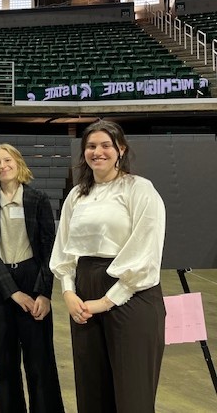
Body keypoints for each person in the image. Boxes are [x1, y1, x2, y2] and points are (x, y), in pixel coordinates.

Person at [50, 120, 166, 413]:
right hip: (84, 292)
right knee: (91, 390)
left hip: (130, 294)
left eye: (105, 145)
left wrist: (106, 301)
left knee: (132, 394)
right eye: (91, 146)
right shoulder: (77, 195)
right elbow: (64, 248)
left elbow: (146, 249)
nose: (97, 152)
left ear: (120, 149)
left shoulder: (139, 189)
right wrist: (67, 292)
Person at [0, 143, 64, 413]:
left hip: (33, 278)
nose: (2, 166)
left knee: (40, 361)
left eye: (7, 160)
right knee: (5, 362)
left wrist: (44, 294)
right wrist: (13, 292)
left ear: (18, 163)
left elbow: (50, 248)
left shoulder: (38, 199)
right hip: (2, 285)